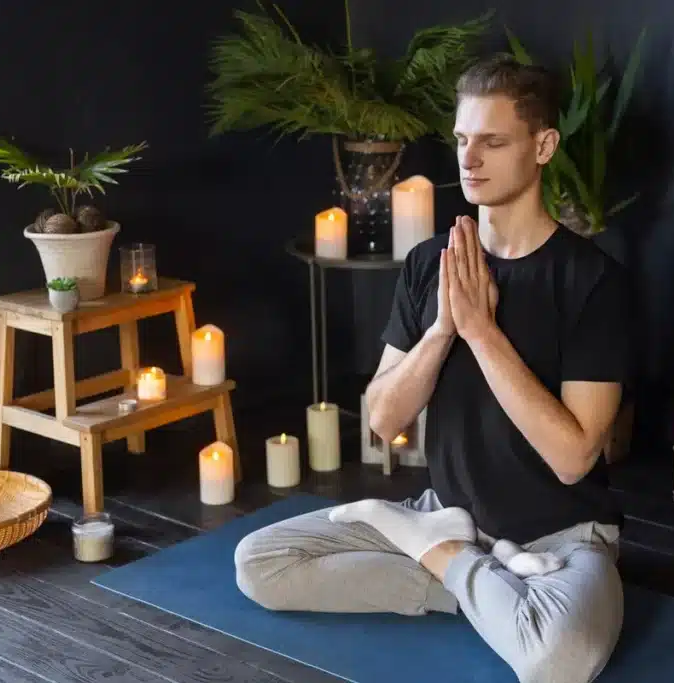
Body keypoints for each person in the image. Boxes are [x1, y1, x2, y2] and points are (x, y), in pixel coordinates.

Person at [234, 54, 634, 683]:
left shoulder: (592, 281)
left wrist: (481, 329)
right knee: (260, 561)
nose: (468, 159)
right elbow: (382, 417)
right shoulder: (431, 264)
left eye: (493, 142)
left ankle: (442, 557)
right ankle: (467, 568)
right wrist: (445, 328)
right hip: (445, 506)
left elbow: (574, 457)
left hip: (562, 539)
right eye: (461, 140)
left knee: (560, 659)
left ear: (543, 146)